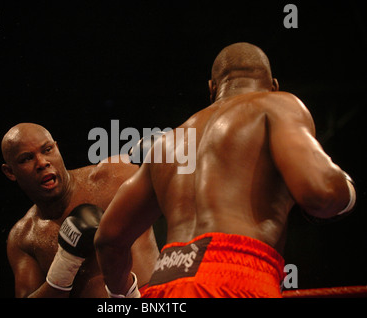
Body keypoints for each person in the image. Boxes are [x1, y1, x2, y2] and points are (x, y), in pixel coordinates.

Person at [95, 42, 356, 298]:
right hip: (236, 278)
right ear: (274, 86)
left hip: (165, 284)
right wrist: (346, 188)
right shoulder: (278, 105)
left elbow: (108, 240)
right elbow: (321, 196)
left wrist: (126, 296)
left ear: (212, 88)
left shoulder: (166, 142)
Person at [1, 123, 159, 298]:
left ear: (57, 148)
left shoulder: (115, 176)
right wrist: (65, 264)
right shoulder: (23, 237)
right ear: (10, 172)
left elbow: (183, 189)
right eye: (26, 159)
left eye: (47, 150)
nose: (42, 162)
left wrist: (169, 155)